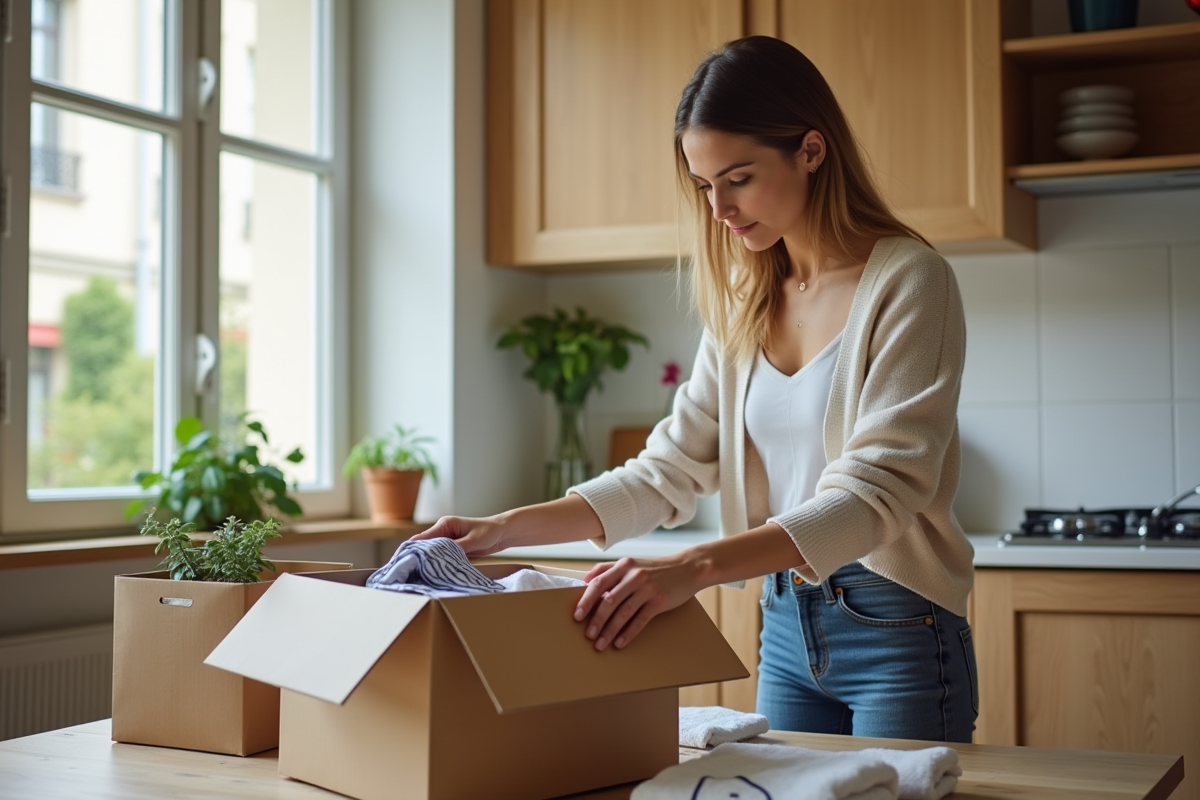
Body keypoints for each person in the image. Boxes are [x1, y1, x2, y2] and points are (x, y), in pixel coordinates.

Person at [412, 35, 977, 743]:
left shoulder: (911, 281)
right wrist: (501, 528)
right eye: (704, 185)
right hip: (784, 620)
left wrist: (694, 566)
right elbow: (670, 469)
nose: (719, 209)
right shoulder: (745, 296)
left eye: (738, 178)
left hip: (897, 621)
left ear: (810, 150)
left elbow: (879, 491)